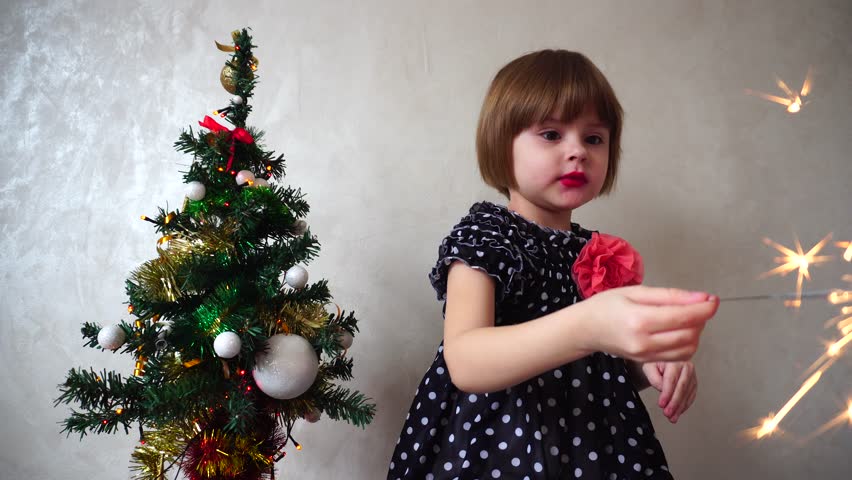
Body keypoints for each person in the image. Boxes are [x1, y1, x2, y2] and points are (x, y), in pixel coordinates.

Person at [387, 50, 719, 479]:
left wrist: (648, 361)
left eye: (594, 138)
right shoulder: (486, 236)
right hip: (498, 448)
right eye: (550, 134)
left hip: (599, 450)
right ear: (499, 144)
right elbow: (466, 361)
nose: (577, 151)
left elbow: (602, 368)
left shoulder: (598, 253)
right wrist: (589, 324)